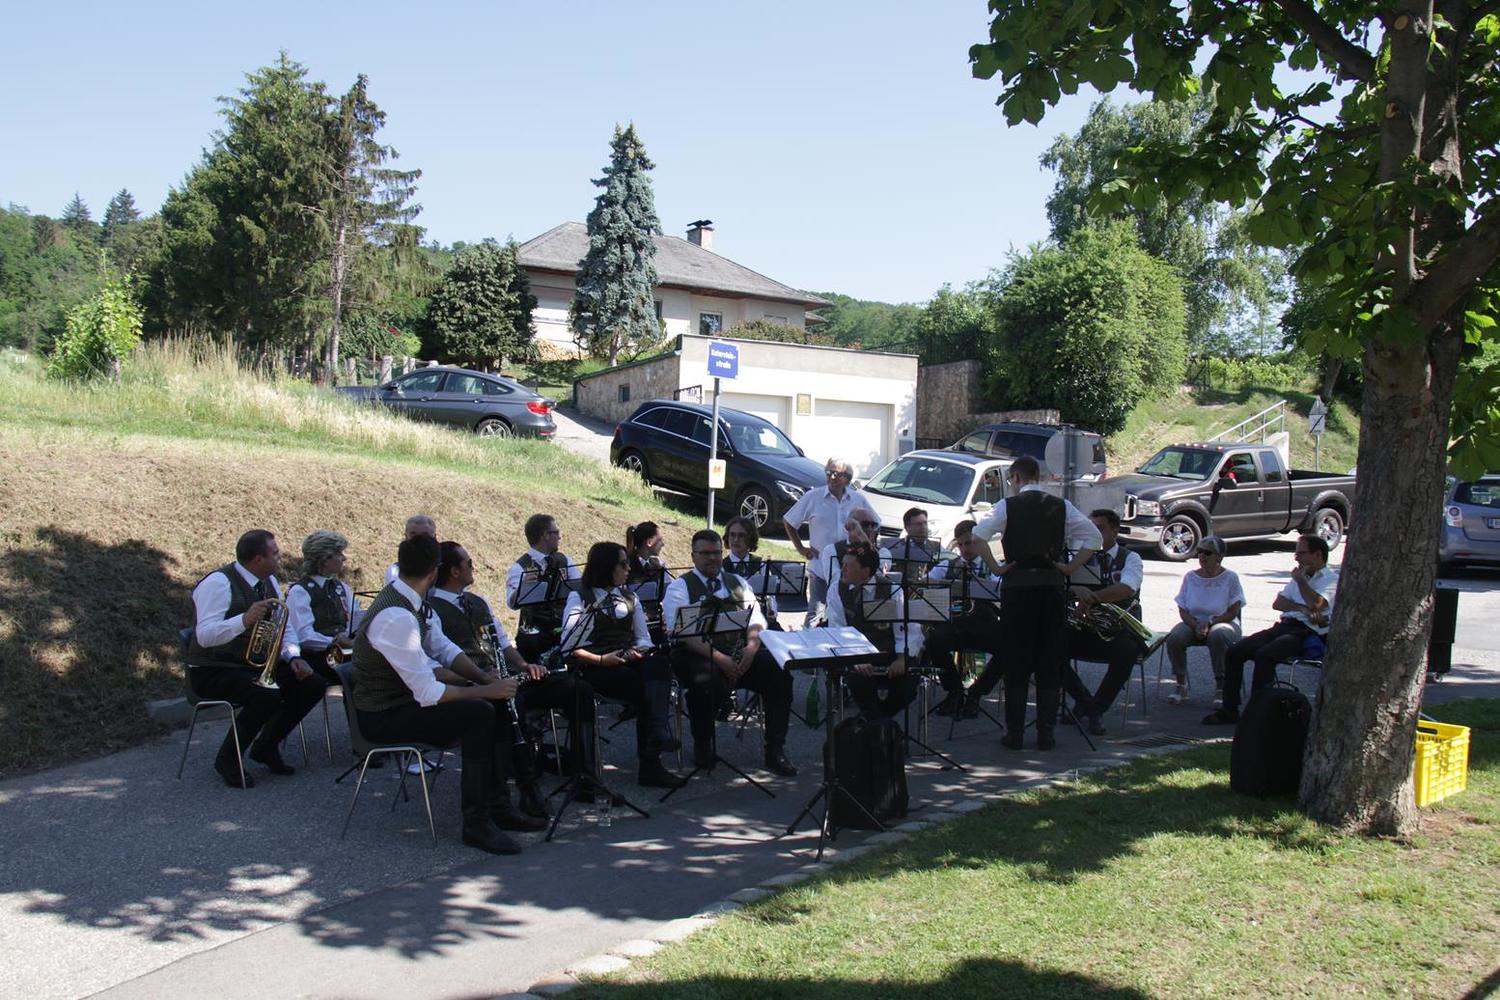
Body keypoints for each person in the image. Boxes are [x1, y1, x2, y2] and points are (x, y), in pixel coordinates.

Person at [352, 534, 546, 856]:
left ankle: (499, 806)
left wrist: (485, 679)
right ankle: (476, 823)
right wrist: (485, 690)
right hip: (383, 714)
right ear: (434, 571)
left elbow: (443, 648)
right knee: (479, 713)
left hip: (405, 702)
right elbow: (428, 692)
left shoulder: (412, 600)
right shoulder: (396, 616)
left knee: (495, 704)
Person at [429, 541, 591, 815]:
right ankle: (524, 787)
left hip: (505, 678)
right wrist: (481, 679)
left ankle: (585, 775)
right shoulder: (431, 609)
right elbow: (434, 666)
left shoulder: (477, 601)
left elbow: (504, 645)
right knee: (511, 704)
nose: (473, 567)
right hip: (474, 686)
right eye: (469, 563)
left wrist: (526, 665)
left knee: (577, 689)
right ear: (454, 571)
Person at [973, 456, 1100, 751]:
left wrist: (996, 567)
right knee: (1049, 660)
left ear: (1017, 477)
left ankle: (1015, 733)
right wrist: (1069, 568)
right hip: (1051, 589)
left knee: (1016, 660)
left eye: (1010, 479)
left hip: (1018, 590)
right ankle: (1046, 734)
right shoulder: (1060, 506)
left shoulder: (1007, 506)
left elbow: (978, 536)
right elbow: (1093, 538)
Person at [187, 529, 331, 787]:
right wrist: (243, 620)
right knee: (265, 695)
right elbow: (204, 636)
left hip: (252, 666)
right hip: (213, 669)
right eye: (275, 554)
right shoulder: (218, 583)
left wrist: (293, 657)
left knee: (313, 684)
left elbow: (284, 626)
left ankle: (265, 746)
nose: (280, 558)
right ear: (257, 560)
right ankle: (228, 759)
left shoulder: (269, 582)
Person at [661, 529, 798, 776]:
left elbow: (756, 620)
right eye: (705, 553)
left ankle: (775, 749)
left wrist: (751, 648)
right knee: (706, 682)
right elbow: (682, 633)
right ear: (693, 556)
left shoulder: (738, 583)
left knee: (779, 671)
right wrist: (721, 659)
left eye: (716, 553)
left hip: (738, 652)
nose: (712, 558)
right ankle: (703, 743)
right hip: (696, 654)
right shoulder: (679, 588)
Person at [560, 542, 686, 789]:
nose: (629, 569)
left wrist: (636, 652)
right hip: (594, 665)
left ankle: (656, 736)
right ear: (606, 567)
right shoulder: (580, 597)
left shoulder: (630, 597)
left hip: (626, 661)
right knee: (641, 685)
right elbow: (568, 646)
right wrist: (602, 660)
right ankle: (652, 759)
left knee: (659, 663)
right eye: (623, 564)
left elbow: (643, 638)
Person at [1204, 535, 1337, 725]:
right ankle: (1229, 710)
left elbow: (1316, 604)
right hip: (1286, 625)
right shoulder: (1299, 576)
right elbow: (1278, 603)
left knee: (1265, 656)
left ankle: (1258, 714)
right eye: (1296, 553)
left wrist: (1301, 583)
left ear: (1318, 555)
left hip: (1307, 632)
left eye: (1301, 553)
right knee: (1235, 652)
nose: (1296, 558)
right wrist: (1301, 608)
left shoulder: (1330, 580)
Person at [1062, 509, 1148, 736]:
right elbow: (1064, 586)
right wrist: (1074, 590)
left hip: (1119, 629)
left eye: (1099, 528)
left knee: (1128, 650)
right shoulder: (1082, 557)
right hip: (1089, 628)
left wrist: (1094, 597)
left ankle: (1096, 708)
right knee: (1051, 645)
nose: (1094, 533)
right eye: (1090, 528)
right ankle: (1086, 702)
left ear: (1115, 531)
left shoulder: (1131, 558)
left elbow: (1127, 588)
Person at [782, 457, 880, 626]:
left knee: (847, 612)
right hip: (820, 567)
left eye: (837, 474)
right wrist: (801, 548)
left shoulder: (858, 499)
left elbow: (876, 523)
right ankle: (809, 641)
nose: (832, 477)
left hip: (852, 569)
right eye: (828, 473)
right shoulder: (813, 496)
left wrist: (867, 542)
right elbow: (789, 521)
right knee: (815, 613)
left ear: (847, 478)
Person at [828, 544, 921, 720]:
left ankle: (875, 724)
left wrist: (901, 659)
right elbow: (837, 628)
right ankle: (880, 728)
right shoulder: (836, 590)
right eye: (843, 564)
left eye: (849, 566)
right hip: (855, 654)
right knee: (859, 682)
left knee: (908, 686)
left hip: (889, 653)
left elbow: (907, 628)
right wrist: (856, 657)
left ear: (866, 571)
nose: (843, 569)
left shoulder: (892, 590)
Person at [923, 519, 1006, 718]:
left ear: (979, 541)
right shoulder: (948, 565)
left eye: (968, 543)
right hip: (954, 623)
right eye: (960, 545)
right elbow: (924, 582)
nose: (964, 549)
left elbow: (1002, 590)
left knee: (1009, 648)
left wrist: (977, 580)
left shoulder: (993, 567)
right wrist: (946, 581)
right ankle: (954, 691)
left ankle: (977, 692)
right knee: (933, 641)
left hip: (983, 624)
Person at [1164, 535, 1244, 705]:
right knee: (1174, 638)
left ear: (1219, 557)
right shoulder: (1190, 577)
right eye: (1199, 551)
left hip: (1223, 621)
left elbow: (1233, 611)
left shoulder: (1230, 577)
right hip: (1194, 622)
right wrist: (1196, 625)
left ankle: (1221, 686)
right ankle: (1181, 684)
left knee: (1218, 635)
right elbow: (1182, 609)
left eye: (1207, 552)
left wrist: (1210, 623)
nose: (1202, 556)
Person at [287, 530, 362, 682]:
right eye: (339, 554)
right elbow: (303, 636)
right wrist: (334, 641)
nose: (344, 558)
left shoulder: (341, 587)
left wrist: (351, 636)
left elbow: (355, 618)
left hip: (345, 654)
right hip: (318, 658)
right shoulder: (300, 591)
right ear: (325, 560)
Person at [505, 514, 581, 662]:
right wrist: (523, 587)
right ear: (545, 535)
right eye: (556, 532)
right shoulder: (519, 567)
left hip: (563, 630)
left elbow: (580, 589)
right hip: (534, 637)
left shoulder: (565, 560)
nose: (559, 537)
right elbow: (511, 603)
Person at [817, 512, 891, 602]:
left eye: (873, 525)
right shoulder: (832, 550)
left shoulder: (883, 552)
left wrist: (864, 540)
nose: (870, 529)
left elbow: (876, 575)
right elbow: (837, 583)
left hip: (875, 605)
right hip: (840, 604)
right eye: (865, 525)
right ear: (849, 528)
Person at [724, 515, 780, 628]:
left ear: (750, 539)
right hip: (732, 621)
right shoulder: (721, 567)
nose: (736, 540)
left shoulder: (761, 564)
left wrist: (772, 611)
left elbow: (770, 595)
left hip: (760, 618)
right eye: (732, 535)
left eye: (741, 535)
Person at [624, 520, 670, 641]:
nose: (663, 544)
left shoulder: (658, 565)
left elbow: (669, 593)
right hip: (631, 624)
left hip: (655, 622)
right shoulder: (626, 565)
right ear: (649, 542)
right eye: (660, 540)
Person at [881, 507, 942, 580]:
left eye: (925, 523)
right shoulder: (895, 547)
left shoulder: (937, 547)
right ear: (907, 528)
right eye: (919, 524)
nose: (923, 527)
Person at [385, 514, 436, 585]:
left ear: (434, 538)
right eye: (413, 535)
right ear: (406, 537)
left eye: (425, 535)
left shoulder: (445, 572)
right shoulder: (395, 572)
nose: (419, 540)